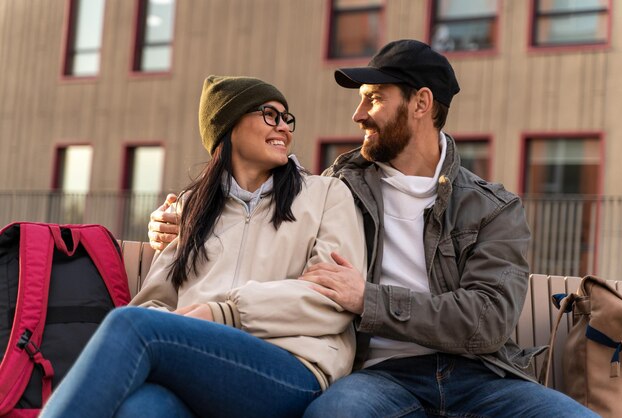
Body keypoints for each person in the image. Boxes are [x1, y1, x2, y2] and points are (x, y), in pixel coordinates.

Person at [147, 42, 598, 417]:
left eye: (375, 98)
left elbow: (488, 320)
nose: (358, 114)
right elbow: (256, 211)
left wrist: (369, 299)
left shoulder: (492, 207)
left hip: (482, 376)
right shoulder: (337, 189)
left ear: (421, 103)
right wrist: (177, 222)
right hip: (377, 376)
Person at [40, 75, 366, 418]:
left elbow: (331, 298)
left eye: (288, 119)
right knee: (143, 409)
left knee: (131, 325)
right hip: (200, 366)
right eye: (270, 115)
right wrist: (177, 328)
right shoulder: (194, 207)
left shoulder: (327, 195)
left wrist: (226, 312)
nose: (284, 128)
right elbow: (155, 300)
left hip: (291, 369)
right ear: (228, 124)